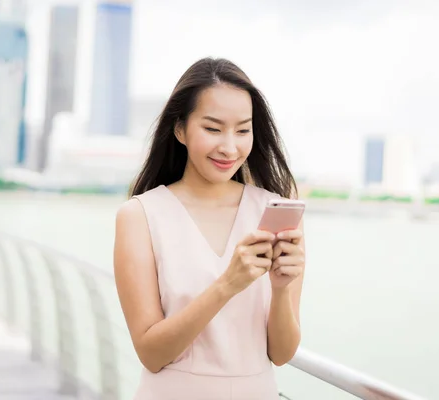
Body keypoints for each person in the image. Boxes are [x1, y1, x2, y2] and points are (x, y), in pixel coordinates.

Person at [113, 57, 306, 400]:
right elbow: (151, 354)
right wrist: (228, 285)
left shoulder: (274, 211)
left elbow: (282, 354)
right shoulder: (140, 215)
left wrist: (281, 289)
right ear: (180, 129)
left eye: (243, 130)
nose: (229, 147)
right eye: (213, 129)